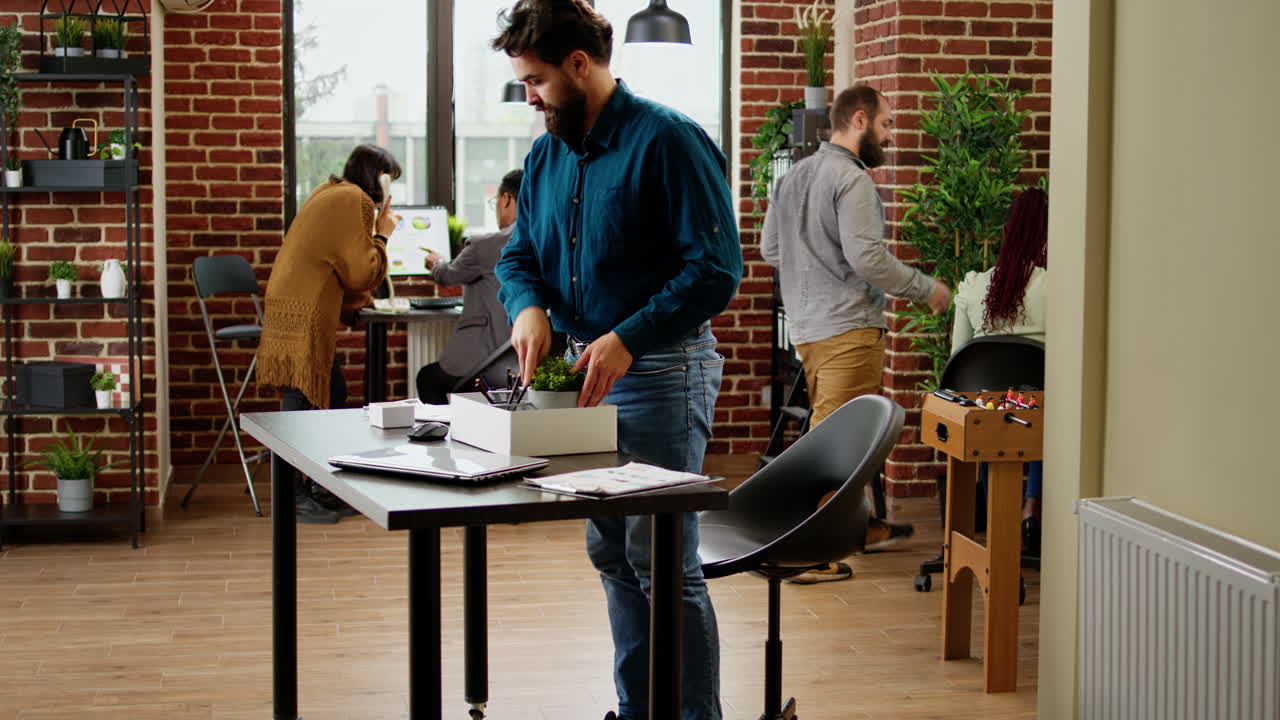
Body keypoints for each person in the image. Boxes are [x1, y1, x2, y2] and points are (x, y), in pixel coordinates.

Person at [491, 2, 742, 718]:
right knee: (613, 556)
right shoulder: (547, 155)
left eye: (537, 80)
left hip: (662, 374)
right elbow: (518, 257)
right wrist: (527, 306)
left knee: (660, 561)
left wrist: (628, 336)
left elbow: (717, 270)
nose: (529, 97)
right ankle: (638, 711)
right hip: (586, 379)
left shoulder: (668, 140)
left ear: (579, 65)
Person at [761, 83, 952, 583]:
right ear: (860, 120)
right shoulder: (852, 180)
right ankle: (809, 553)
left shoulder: (795, 175)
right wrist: (927, 288)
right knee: (836, 444)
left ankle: (858, 526)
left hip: (808, 329)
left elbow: (770, 250)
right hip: (847, 327)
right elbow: (867, 258)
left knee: (838, 432)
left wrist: (813, 268)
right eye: (886, 124)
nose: (889, 136)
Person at [258, 144, 398, 524]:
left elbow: (337, 266)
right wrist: (383, 235)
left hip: (291, 302)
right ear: (378, 177)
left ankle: (321, 484)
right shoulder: (356, 200)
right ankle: (291, 495)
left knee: (331, 392)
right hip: (304, 309)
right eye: (391, 179)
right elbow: (360, 272)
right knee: (301, 396)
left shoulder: (331, 190)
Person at [951, 186, 1048, 554]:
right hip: (1036, 411)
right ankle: (1031, 508)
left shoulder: (974, 286)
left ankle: (998, 522)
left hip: (986, 413)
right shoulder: (1058, 287)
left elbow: (958, 356)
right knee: (1039, 407)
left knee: (999, 408)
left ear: (1007, 233)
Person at [415, 169, 523, 404]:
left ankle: (447, 427)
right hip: (529, 359)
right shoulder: (548, 239)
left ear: (507, 199)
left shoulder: (486, 245)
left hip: (492, 360)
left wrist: (436, 262)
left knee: (428, 379)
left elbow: (447, 275)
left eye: (496, 202)